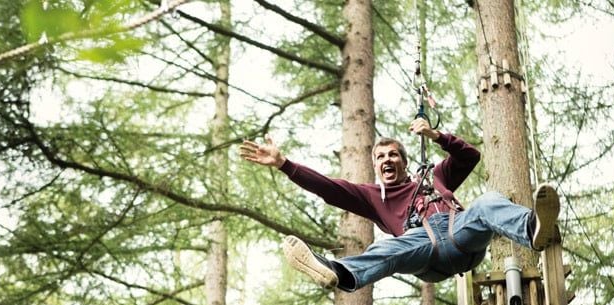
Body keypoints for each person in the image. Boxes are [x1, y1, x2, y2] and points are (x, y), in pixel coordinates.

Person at [238, 118, 559, 292]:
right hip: (423, 248)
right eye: (380, 157)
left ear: (404, 162)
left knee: (488, 202)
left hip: (459, 233)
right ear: (375, 167)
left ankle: (532, 228)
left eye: (393, 155)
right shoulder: (372, 196)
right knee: (387, 249)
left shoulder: (435, 176)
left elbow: (470, 157)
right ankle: (339, 273)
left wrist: (435, 135)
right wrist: (285, 164)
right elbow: (330, 188)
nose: (387, 160)